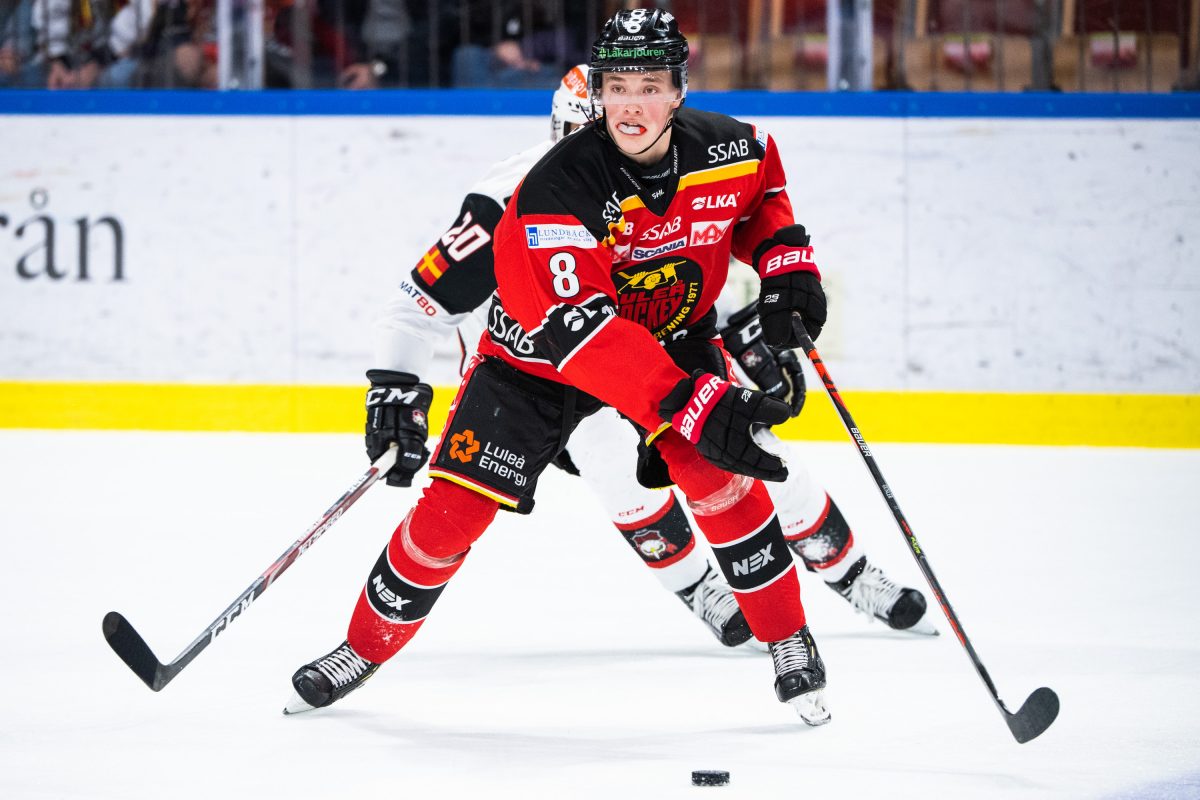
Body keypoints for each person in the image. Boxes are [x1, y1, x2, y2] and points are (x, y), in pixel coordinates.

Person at [285, 10, 916, 726]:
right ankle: (364, 647)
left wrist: (778, 278)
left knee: (734, 469)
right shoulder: (520, 201)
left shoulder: (702, 154)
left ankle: (809, 609)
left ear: (674, 97)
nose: (624, 124)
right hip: (540, 366)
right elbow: (424, 305)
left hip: (656, 341)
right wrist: (397, 387)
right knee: (484, 509)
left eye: (649, 92)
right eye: (611, 104)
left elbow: (726, 221)